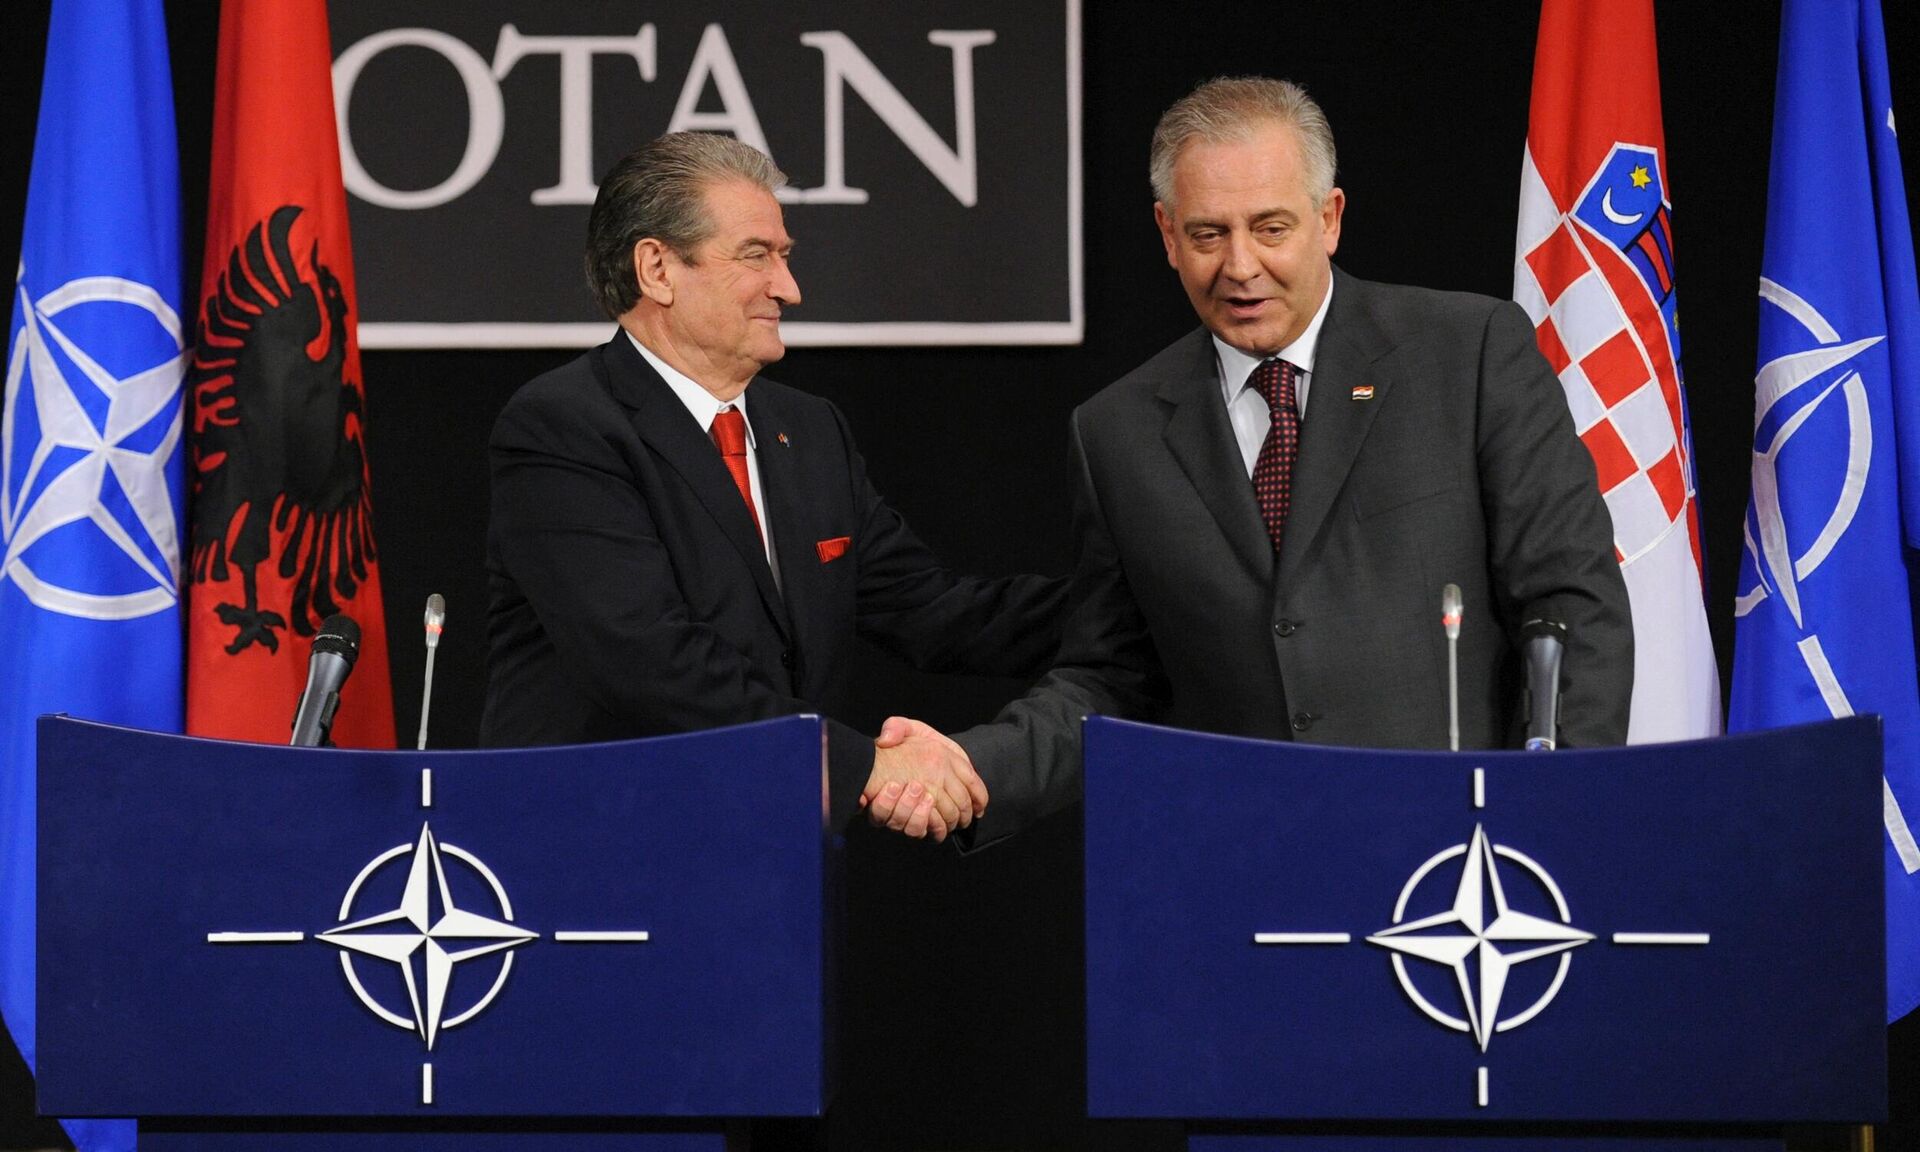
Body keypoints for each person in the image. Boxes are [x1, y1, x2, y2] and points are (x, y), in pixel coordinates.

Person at [878, 76, 1633, 842]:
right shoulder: (1117, 432)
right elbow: (1113, 675)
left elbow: (1571, 603)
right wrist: (975, 769)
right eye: (1208, 235)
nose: (1240, 266)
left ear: (1329, 219)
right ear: (1167, 234)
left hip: (1460, 855)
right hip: (1243, 872)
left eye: (1270, 229)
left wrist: (1553, 823)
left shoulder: (1468, 353)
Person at [480, 131, 1065, 841]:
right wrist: (860, 767)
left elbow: (934, 612)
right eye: (757, 255)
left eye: (783, 257)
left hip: (776, 857)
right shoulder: (565, 427)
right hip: (607, 855)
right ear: (658, 268)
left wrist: (1148, 607)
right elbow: (647, 661)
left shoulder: (808, 430)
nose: (788, 287)